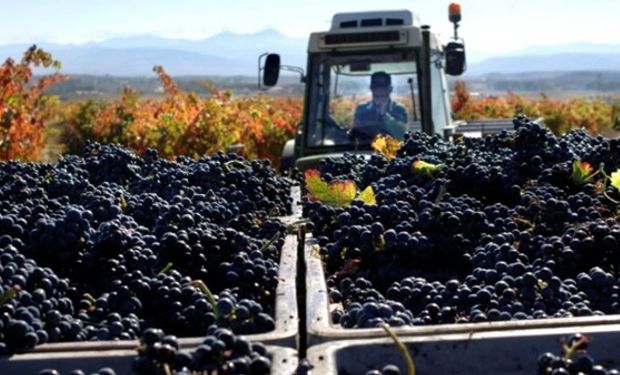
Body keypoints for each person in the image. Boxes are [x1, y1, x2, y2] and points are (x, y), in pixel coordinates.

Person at [352, 71, 408, 139]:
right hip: (366, 148)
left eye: (383, 89)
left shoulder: (399, 109)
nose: (379, 92)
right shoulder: (362, 109)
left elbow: (401, 135)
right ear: (371, 90)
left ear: (390, 89)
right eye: (376, 89)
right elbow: (356, 134)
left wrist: (385, 115)